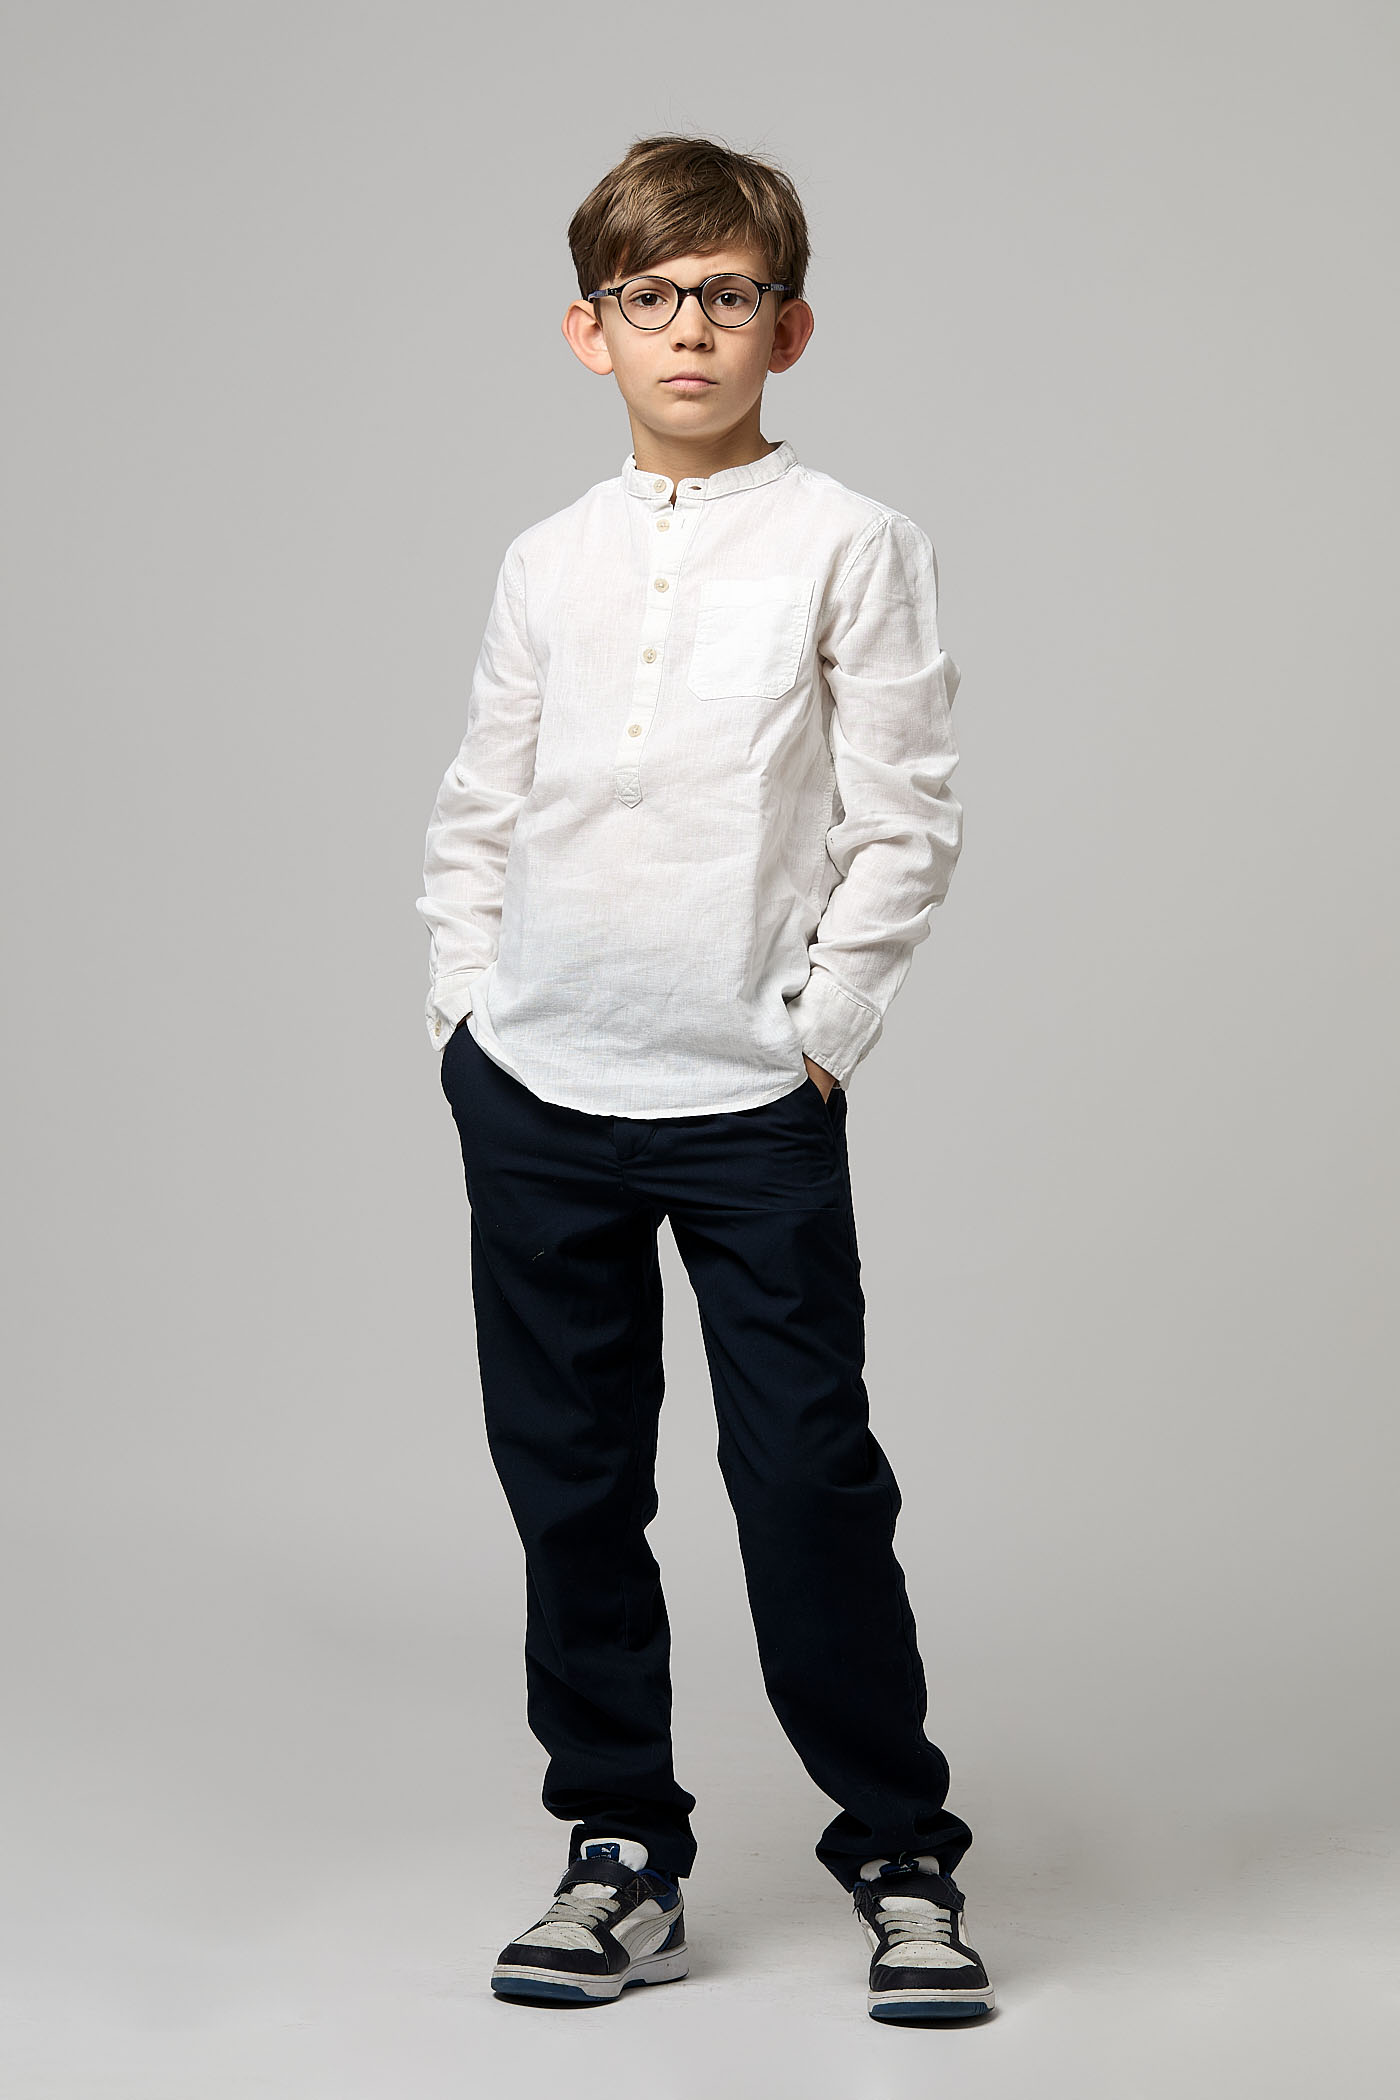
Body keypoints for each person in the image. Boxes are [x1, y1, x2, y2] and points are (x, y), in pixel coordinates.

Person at [416, 133, 993, 2024]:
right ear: (588, 331)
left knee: (807, 1476)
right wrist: (464, 1013)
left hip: (748, 1098)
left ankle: (900, 1852)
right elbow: (483, 804)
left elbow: (906, 819)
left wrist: (821, 1033)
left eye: (728, 295)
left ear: (787, 328)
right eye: (652, 297)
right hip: (538, 1087)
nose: (690, 329)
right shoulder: (548, 558)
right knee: (571, 1484)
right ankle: (619, 1854)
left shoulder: (851, 541)